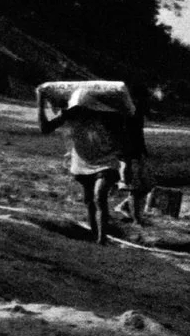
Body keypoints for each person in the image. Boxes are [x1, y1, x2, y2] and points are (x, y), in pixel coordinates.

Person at [35, 81, 144, 244]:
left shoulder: (108, 117)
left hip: (107, 161)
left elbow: (123, 140)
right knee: (89, 201)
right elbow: (45, 128)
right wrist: (40, 101)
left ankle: (101, 239)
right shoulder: (70, 114)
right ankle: (95, 236)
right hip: (82, 162)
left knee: (99, 196)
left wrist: (126, 164)